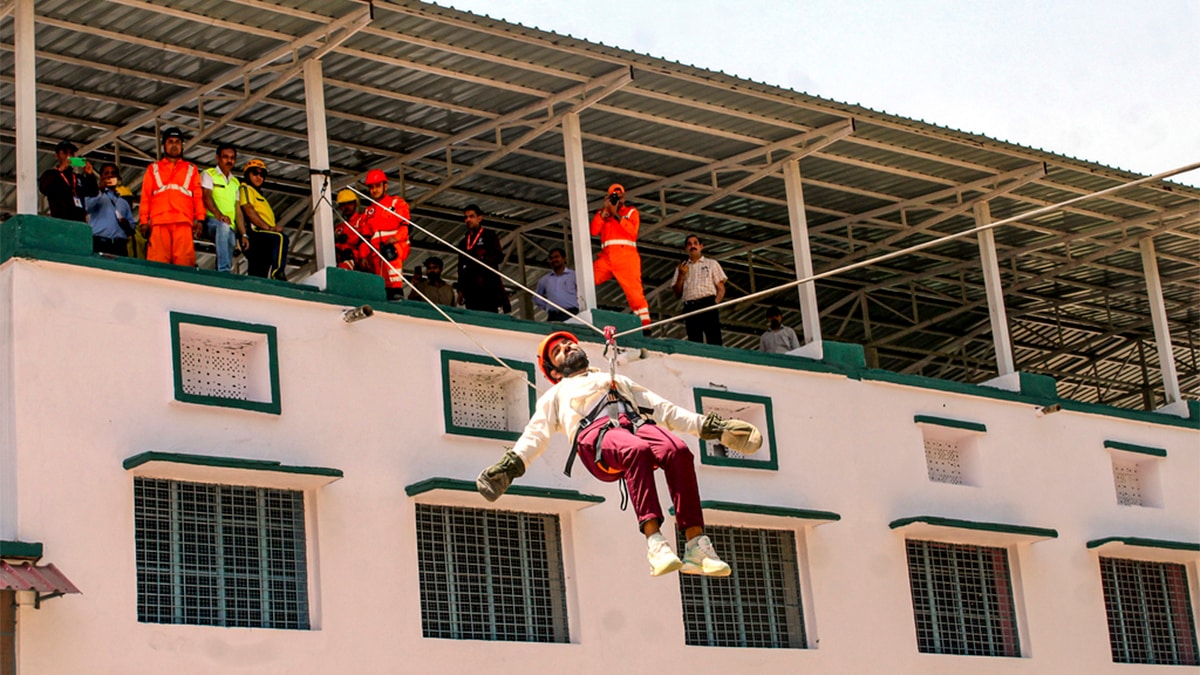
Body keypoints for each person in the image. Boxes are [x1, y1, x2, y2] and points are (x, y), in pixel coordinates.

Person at [476, 331, 763, 578]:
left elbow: (664, 410)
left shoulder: (617, 379)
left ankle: (696, 545)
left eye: (569, 343)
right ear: (554, 372)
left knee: (677, 451)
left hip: (635, 425)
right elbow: (535, 435)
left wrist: (713, 428)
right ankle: (655, 543)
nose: (567, 347)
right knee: (636, 450)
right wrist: (510, 466)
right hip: (596, 438)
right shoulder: (554, 396)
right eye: (558, 351)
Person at [139, 127, 205, 267]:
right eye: (170, 141)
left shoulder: (191, 169)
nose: (174, 145)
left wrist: (200, 219)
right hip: (159, 222)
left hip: (183, 222)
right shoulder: (153, 169)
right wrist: (144, 221)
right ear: (164, 145)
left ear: (182, 145)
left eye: (177, 142)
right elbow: (146, 197)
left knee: (184, 265)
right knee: (157, 265)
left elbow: (198, 196)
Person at [590, 184, 651, 331]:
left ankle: (645, 326)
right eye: (613, 196)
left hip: (626, 257)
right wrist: (605, 211)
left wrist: (616, 214)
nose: (616, 199)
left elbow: (632, 232)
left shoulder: (631, 212)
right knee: (586, 279)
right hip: (607, 257)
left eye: (619, 196)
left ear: (624, 197)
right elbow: (594, 231)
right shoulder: (603, 213)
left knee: (635, 293)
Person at [360, 169, 410, 300]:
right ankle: (387, 293)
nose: (374, 190)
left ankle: (397, 289)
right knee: (380, 275)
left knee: (390, 253)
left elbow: (405, 227)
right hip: (377, 250)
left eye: (377, 186)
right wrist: (364, 256)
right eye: (371, 187)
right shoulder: (368, 212)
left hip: (396, 245)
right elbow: (366, 237)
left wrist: (395, 239)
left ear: (385, 186)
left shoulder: (396, 203)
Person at [671, 234, 727, 345]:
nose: (692, 246)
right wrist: (681, 275)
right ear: (686, 248)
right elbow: (677, 293)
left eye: (695, 243)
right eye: (689, 244)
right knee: (694, 341)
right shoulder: (681, 267)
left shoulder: (711, 263)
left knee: (714, 339)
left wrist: (713, 304)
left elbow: (721, 289)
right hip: (690, 306)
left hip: (708, 303)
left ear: (701, 246)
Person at [238, 159, 288, 280]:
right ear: (247, 175)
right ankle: (277, 273)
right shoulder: (246, 189)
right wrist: (269, 228)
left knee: (259, 274)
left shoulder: (260, 196)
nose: (259, 177)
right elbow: (248, 210)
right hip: (255, 233)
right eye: (255, 173)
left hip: (262, 237)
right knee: (280, 238)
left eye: (262, 174)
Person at [201, 143, 248, 273]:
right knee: (223, 227)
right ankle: (224, 270)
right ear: (217, 158)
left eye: (232, 158)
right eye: (225, 157)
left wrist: (243, 234)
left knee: (231, 240)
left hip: (229, 225)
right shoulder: (209, 174)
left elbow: (238, 210)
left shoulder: (235, 182)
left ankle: (220, 272)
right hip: (210, 221)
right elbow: (206, 197)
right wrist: (219, 216)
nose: (229, 160)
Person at [456, 204, 509, 313]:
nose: (468, 220)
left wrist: (482, 258)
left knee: (490, 314)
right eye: (466, 217)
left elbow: (498, 257)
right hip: (470, 288)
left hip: (488, 286)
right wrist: (460, 289)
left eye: (471, 216)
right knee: (472, 315)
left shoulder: (489, 235)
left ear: (479, 218)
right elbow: (460, 267)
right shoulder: (463, 242)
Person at [38, 140, 98, 222]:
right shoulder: (51, 174)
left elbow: (93, 192)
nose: (69, 156)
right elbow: (44, 188)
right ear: (57, 156)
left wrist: (89, 174)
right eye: (65, 153)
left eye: (71, 153)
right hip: (61, 221)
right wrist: (61, 169)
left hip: (79, 221)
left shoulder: (77, 177)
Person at [84, 163, 135, 256]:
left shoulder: (123, 202)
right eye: (106, 173)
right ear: (101, 177)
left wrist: (127, 224)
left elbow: (132, 228)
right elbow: (87, 208)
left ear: (118, 177)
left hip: (120, 246)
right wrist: (100, 191)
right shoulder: (95, 195)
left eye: (113, 173)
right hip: (100, 243)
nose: (110, 175)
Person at [534, 247, 578, 321]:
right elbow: (536, 297)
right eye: (551, 258)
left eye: (556, 257)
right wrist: (548, 308)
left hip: (572, 314)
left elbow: (583, 293)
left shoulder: (574, 275)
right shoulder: (544, 280)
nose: (554, 260)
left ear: (564, 259)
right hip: (553, 316)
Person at [333, 189, 368, 272]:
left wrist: (363, 256)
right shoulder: (339, 228)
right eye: (343, 205)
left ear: (355, 204)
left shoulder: (362, 219)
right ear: (340, 207)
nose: (347, 207)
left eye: (349, 203)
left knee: (347, 252)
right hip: (344, 261)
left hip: (360, 259)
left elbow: (366, 239)